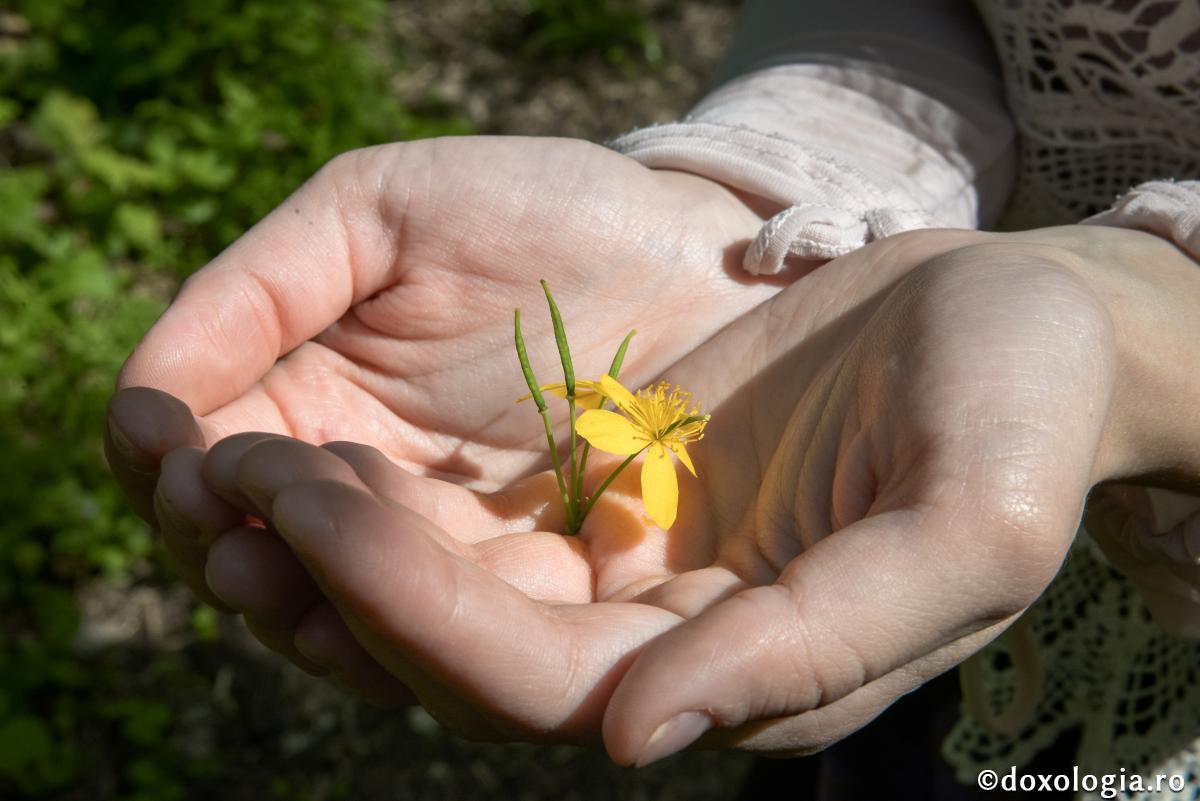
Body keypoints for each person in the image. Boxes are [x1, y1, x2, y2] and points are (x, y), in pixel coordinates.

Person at [105, 0, 1200, 796]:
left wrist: (1137, 321)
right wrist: (750, 199)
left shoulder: (656, 453)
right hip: (888, 473)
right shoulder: (637, 436)